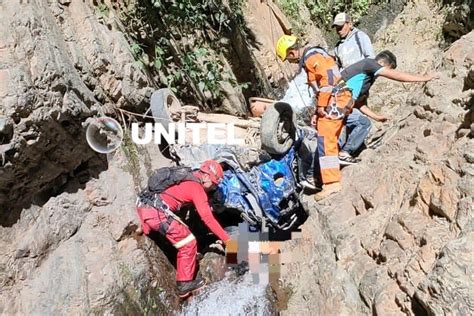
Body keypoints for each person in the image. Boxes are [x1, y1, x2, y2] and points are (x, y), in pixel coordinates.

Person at [135, 160, 232, 298]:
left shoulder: (187, 175)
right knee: (189, 243)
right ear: (205, 177)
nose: (213, 188)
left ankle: (145, 228)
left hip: (145, 205)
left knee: (182, 229)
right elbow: (208, 219)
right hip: (156, 214)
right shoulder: (197, 189)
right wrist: (228, 241)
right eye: (214, 183)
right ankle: (184, 284)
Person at [275, 35, 353, 201]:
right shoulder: (314, 55)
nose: (292, 62)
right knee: (326, 139)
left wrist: (321, 106)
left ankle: (332, 183)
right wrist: (318, 113)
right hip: (337, 98)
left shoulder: (312, 58)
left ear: (291, 53)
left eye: (289, 59)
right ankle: (328, 178)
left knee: (326, 140)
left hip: (336, 98)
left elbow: (328, 80)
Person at [339, 51, 438, 144]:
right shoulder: (370, 64)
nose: (387, 72)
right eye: (388, 68)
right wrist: (425, 78)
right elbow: (398, 76)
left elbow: (358, 103)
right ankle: (344, 153)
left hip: (339, 104)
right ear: (381, 63)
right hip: (338, 104)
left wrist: (376, 117)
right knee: (362, 123)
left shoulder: (366, 77)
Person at [332, 12, 376, 164]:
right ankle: (345, 151)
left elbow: (370, 58)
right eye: (336, 28)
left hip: (359, 82)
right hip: (344, 87)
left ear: (349, 24)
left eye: (341, 26)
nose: (338, 30)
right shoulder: (338, 47)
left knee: (358, 114)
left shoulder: (360, 37)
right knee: (347, 117)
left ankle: (352, 149)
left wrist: (366, 80)